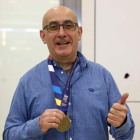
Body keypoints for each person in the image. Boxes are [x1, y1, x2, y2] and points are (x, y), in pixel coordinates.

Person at [3, 6, 135, 140]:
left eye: (68, 25)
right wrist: (37, 126)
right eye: (53, 27)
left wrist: (122, 123)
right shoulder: (27, 82)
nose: (61, 33)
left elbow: (126, 135)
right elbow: (9, 135)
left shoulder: (102, 76)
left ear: (79, 33)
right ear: (43, 36)